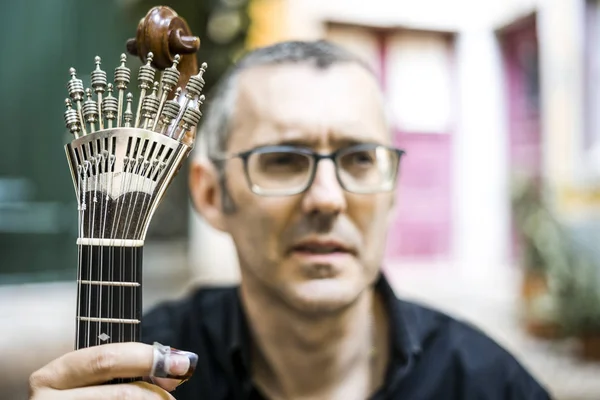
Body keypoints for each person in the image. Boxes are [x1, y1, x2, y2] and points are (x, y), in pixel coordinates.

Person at [29, 40, 552, 400]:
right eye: (283, 159)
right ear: (212, 196)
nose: (327, 198)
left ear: (391, 188)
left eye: (358, 159)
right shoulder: (134, 366)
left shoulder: (489, 383)